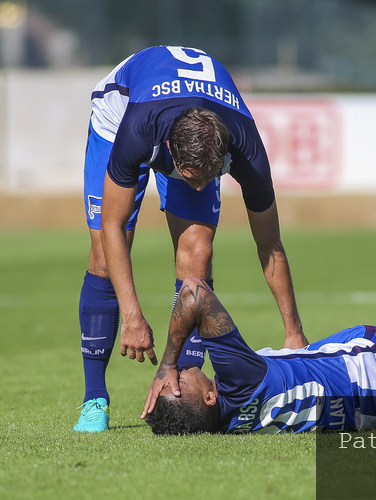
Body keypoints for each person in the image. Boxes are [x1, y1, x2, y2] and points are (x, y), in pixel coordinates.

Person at [74, 46, 308, 432]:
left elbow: (270, 245)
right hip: (119, 111)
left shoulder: (246, 149)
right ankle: (94, 398)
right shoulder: (138, 131)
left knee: (198, 252)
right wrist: (132, 317)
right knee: (103, 252)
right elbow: (113, 226)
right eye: (190, 176)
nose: (200, 186)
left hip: (197, 111)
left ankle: (182, 383)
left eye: (209, 177)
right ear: (170, 155)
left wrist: (293, 331)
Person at [142, 278, 376, 434]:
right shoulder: (238, 379)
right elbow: (193, 291)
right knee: (307, 354)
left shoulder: (230, 426)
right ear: (209, 396)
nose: (187, 369)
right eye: (184, 378)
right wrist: (168, 364)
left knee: (330, 386)